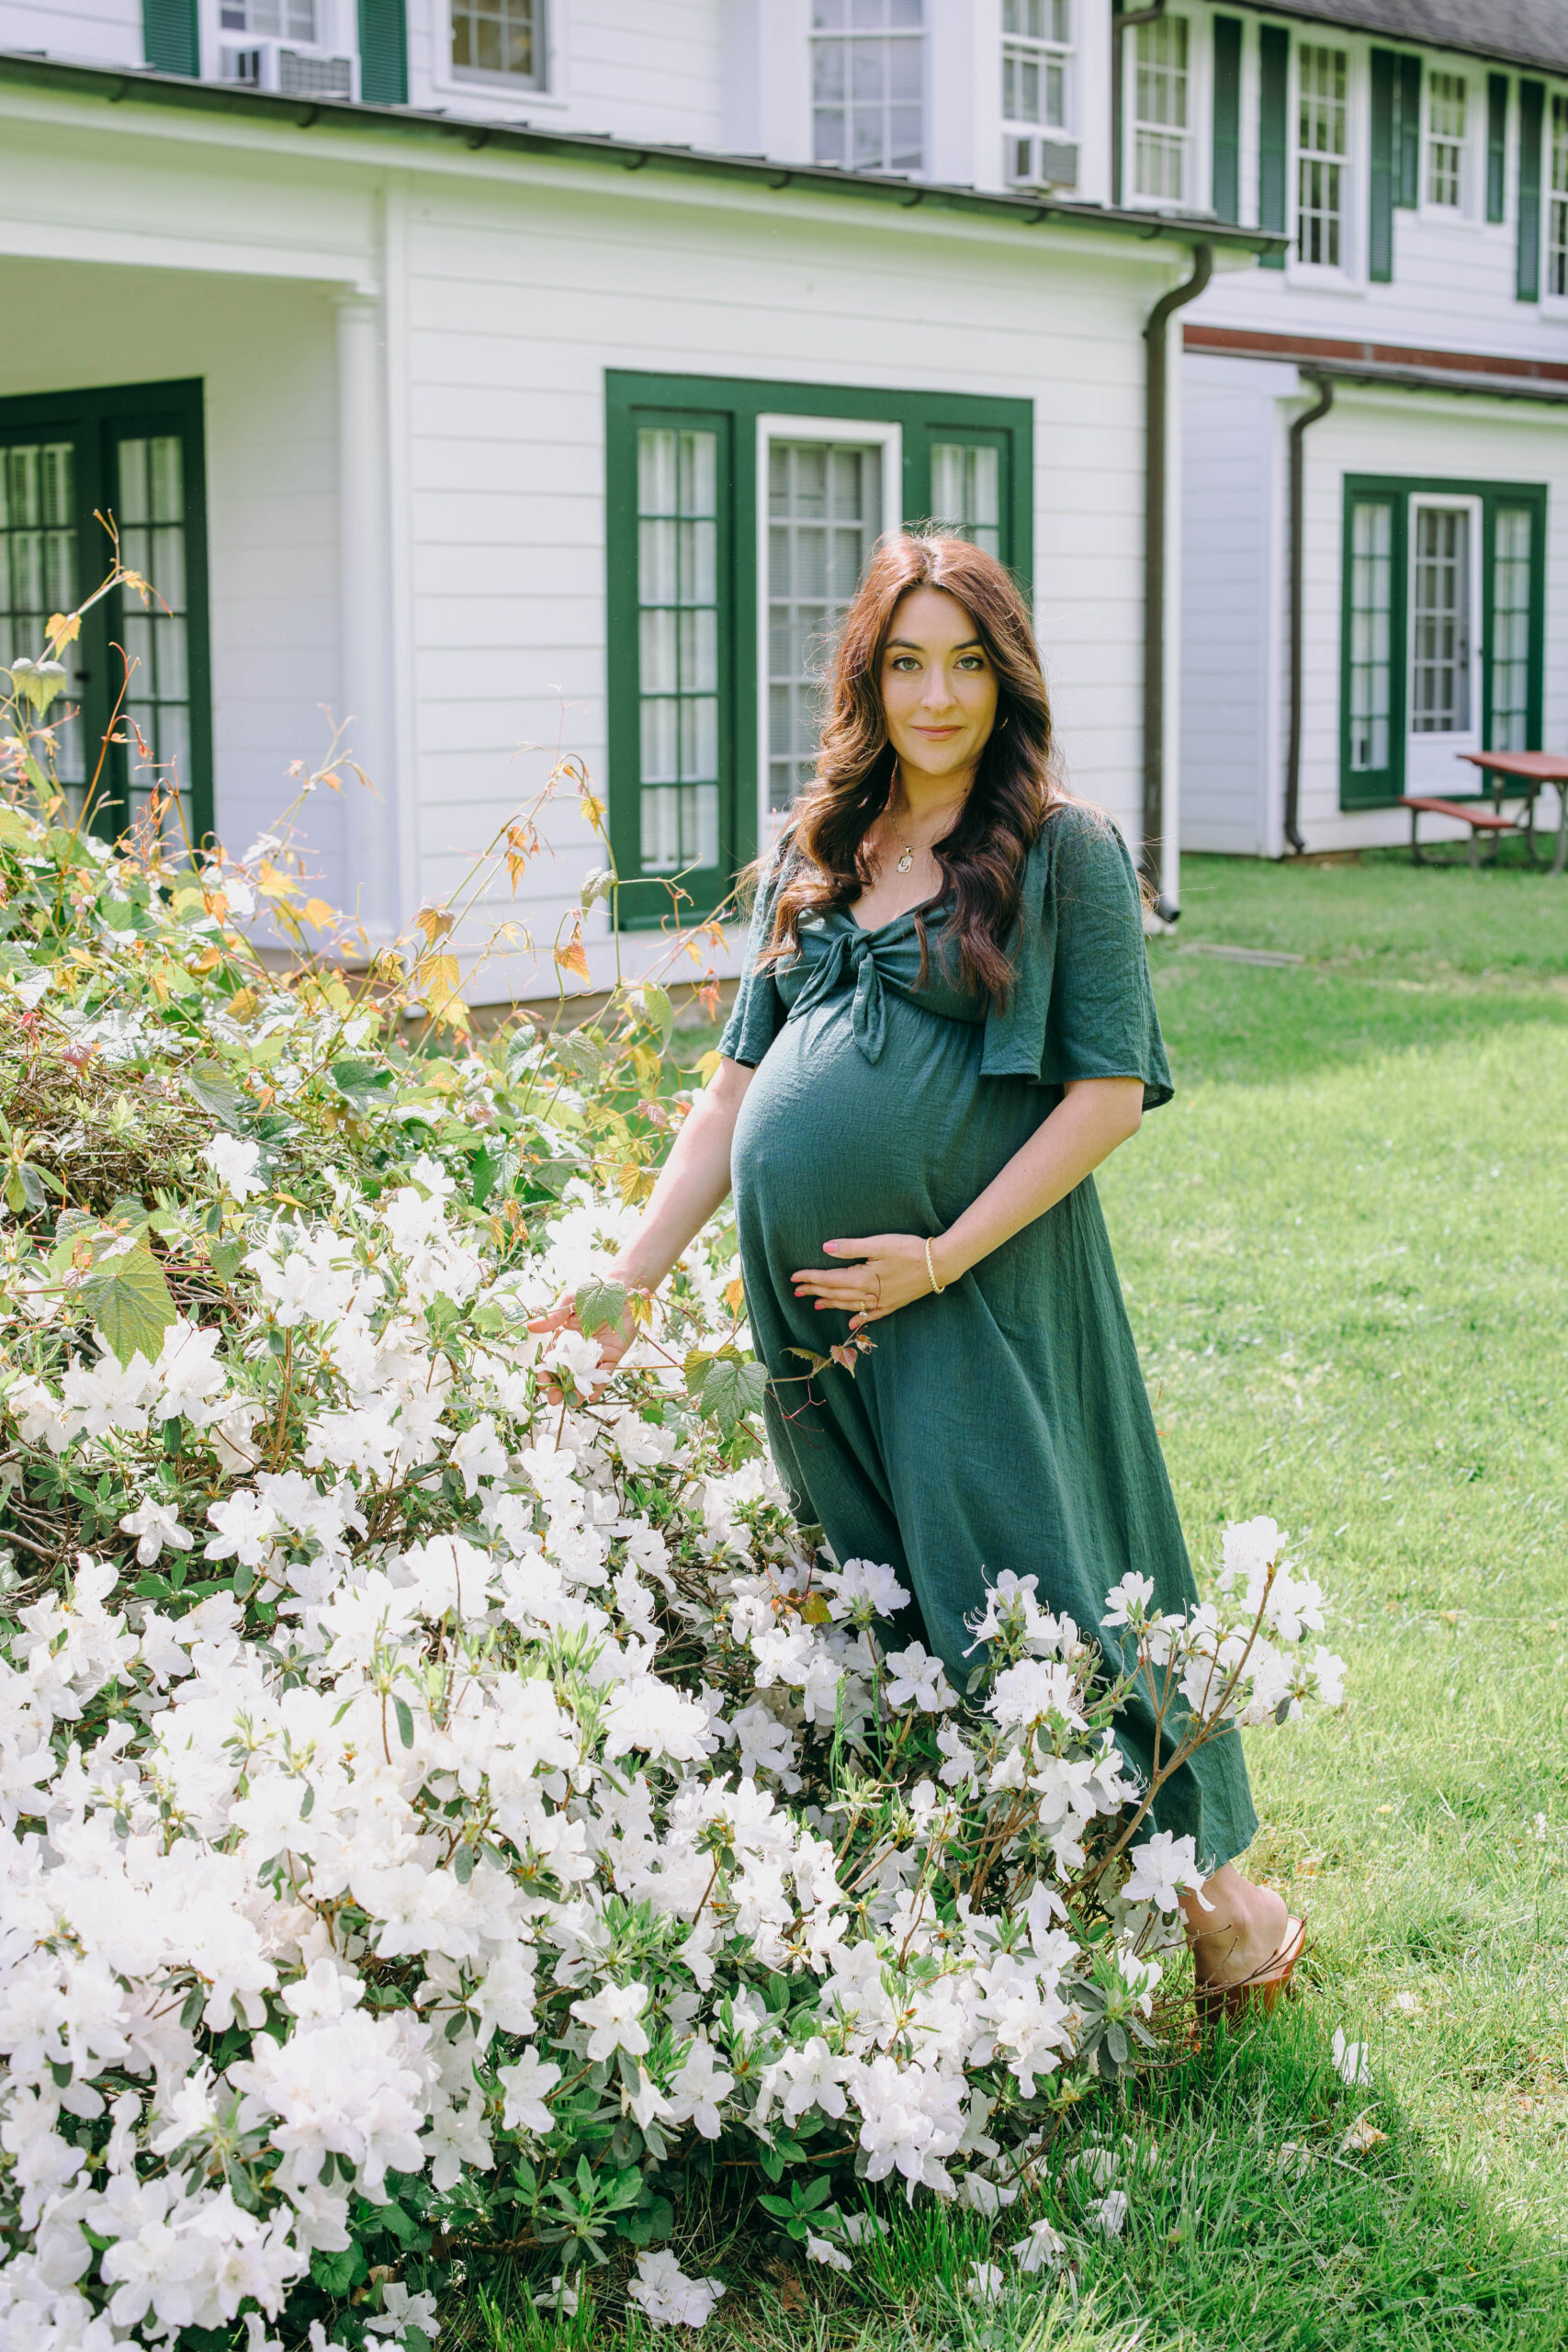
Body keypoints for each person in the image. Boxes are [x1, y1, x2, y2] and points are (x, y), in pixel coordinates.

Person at [532, 531, 1303, 2011]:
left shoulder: (1063, 848)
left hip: (976, 1293)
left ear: (1002, 677)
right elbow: (729, 1090)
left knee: (1037, 1586)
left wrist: (940, 1257)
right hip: (821, 1331)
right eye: (906, 663)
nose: (936, 695)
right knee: (900, 1611)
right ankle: (1006, 1942)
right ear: (866, 678)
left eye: (965, 662)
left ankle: (1226, 1917)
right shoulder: (817, 850)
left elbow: (1106, 1093)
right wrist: (628, 1278)